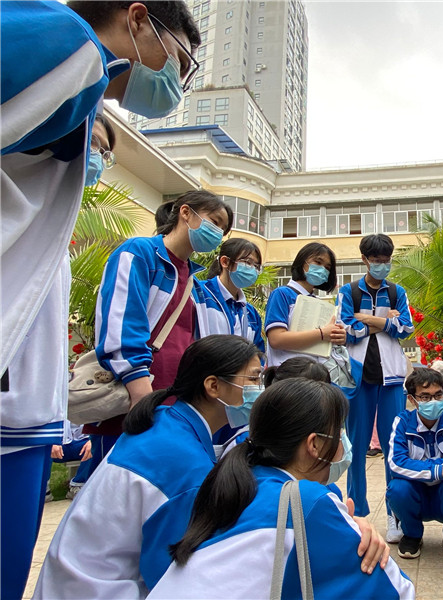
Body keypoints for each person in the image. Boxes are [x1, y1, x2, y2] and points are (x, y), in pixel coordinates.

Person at [1, 3, 199, 595]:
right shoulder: (69, 44)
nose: (177, 86)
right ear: (138, 20)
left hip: (25, 402)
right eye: (181, 64)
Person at [35, 335, 262, 598]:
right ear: (213, 386)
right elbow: (173, 573)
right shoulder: (182, 463)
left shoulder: (165, 423)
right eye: (253, 379)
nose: (259, 390)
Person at [148, 378, 414, 599]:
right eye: (340, 431)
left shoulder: (232, 481)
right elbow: (400, 591)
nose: (344, 443)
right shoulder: (307, 502)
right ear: (315, 445)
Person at [86, 190, 232, 468]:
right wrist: (140, 392)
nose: (217, 233)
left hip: (176, 407)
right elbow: (121, 323)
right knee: (116, 497)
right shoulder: (139, 254)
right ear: (186, 213)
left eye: (222, 230)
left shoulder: (194, 281)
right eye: (214, 222)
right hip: (135, 400)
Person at [336, 233, 414, 538]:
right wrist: (384, 323)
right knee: (354, 446)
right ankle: (358, 513)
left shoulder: (397, 292)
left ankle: (396, 513)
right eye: (377, 260)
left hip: (392, 377)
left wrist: (370, 321)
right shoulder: (349, 291)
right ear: (365, 259)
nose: (382, 265)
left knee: (394, 445)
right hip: (358, 376)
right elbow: (345, 330)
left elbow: (406, 329)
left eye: (386, 260)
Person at [386, 368, 443, 561]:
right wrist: (439, 470)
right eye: (424, 396)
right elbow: (396, 463)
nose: (433, 401)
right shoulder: (402, 421)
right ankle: (412, 535)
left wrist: (424, 469)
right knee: (397, 488)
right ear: (412, 400)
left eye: (438, 395)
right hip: (416, 494)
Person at [264, 242, 346, 367]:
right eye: (318, 262)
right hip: (285, 375)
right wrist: (322, 334)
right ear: (302, 261)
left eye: (327, 268)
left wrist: (337, 337)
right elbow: (276, 339)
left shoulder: (319, 302)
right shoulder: (282, 294)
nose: (322, 269)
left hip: (313, 374)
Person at [199, 238, 266, 352]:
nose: (252, 269)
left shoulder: (251, 314)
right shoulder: (200, 293)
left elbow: (258, 355)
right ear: (225, 262)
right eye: (247, 262)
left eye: (256, 266)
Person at [45, 421, 93, 502]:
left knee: (95, 446)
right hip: (59, 443)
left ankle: (77, 485)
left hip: (83, 442)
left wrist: (93, 439)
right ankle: (44, 490)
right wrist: (51, 440)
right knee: (43, 448)